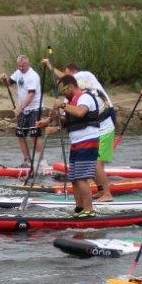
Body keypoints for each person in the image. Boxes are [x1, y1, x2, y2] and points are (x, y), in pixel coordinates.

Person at [43, 59, 117, 200]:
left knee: (96, 162)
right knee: (93, 162)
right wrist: (47, 121)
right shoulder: (74, 96)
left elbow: (66, 86)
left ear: (71, 73)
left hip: (105, 124)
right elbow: (64, 112)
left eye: (66, 75)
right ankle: (101, 191)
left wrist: (50, 66)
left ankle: (107, 194)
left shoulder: (85, 75)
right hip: (94, 127)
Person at [42, 74, 103, 216]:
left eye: (64, 91)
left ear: (70, 86)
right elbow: (65, 121)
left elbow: (81, 113)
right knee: (74, 178)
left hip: (88, 141)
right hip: (76, 143)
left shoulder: (85, 97)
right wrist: (52, 120)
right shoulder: (71, 101)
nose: (64, 95)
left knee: (81, 177)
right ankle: (79, 208)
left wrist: (62, 105)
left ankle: (89, 210)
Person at [0, 56, 42, 168]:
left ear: (28, 64)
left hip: (34, 108)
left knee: (34, 135)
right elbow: (9, 83)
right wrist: (5, 79)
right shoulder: (18, 72)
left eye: (23, 66)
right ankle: (27, 161)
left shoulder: (33, 76)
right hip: (23, 108)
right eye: (19, 66)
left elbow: (31, 94)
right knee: (21, 135)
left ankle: (40, 161)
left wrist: (20, 108)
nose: (21, 68)